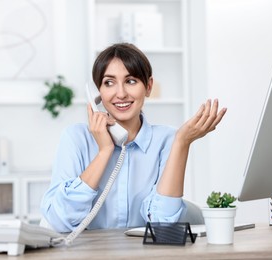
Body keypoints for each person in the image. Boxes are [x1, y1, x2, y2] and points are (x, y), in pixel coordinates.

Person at [40, 43, 227, 233]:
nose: (120, 94)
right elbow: (59, 221)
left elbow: (163, 225)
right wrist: (105, 151)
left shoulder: (167, 140)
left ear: (148, 86)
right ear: (97, 93)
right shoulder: (76, 138)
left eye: (130, 81)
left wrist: (182, 142)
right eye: (109, 83)